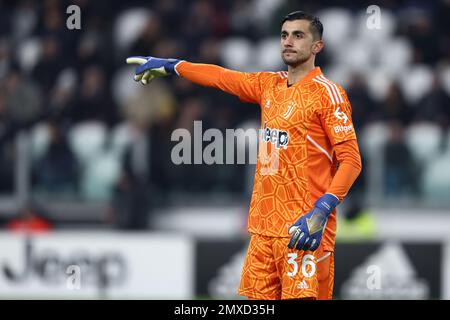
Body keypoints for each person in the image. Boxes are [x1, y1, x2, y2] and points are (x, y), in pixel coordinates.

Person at [127, 11, 362, 300]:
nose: (288, 41)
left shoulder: (328, 94)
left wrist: (321, 211)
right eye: (284, 34)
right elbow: (221, 77)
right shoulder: (269, 86)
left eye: (298, 35)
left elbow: (351, 160)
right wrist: (174, 66)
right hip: (263, 231)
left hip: (304, 231)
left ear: (317, 47)